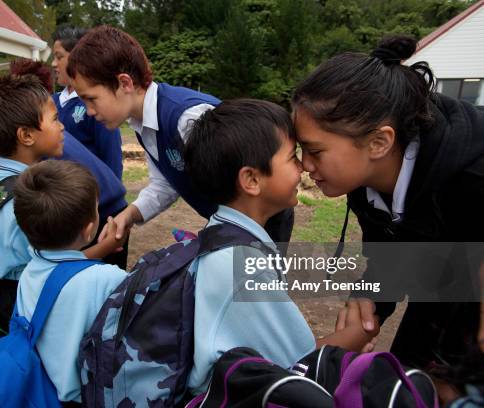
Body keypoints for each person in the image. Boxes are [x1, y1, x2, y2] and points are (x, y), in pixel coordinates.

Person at [292, 36, 484, 372]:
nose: (305, 165)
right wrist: (371, 299)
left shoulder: (471, 176)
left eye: (316, 151)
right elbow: (394, 256)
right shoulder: (366, 181)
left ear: (379, 141)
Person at [183, 99, 376, 395]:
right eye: (291, 157)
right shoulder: (242, 265)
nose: (303, 166)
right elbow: (298, 366)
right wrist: (360, 333)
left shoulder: (221, 235)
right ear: (251, 179)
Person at [68, 25, 294, 247]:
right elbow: (165, 184)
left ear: (124, 83)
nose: (89, 111)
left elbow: (245, 187)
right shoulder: (142, 123)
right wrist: (128, 216)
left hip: (260, 224)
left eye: (91, 99)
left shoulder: (188, 118)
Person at [0, 74, 125, 281]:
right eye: (54, 119)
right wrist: (104, 248)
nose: (62, 126)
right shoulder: (25, 196)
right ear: (26, 136)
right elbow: (46, 273)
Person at [13, 160, 126, 404]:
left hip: (40, 389)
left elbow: (65, 270)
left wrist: (101, 248)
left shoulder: (31, 269)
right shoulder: (107, 279)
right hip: (82, 397)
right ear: (88, 230)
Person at [51, 25, 123, 179]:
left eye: (59, 57)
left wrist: (114, 198)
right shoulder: (51, 102)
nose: (53, 64)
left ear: (78, 57)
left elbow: (112, 158)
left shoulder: (97, 104)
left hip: (90, 196)